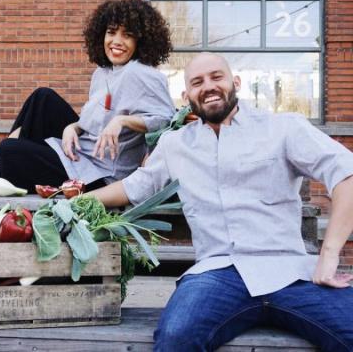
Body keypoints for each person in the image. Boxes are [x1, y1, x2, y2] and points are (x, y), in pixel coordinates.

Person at [89, 52, 353, 351]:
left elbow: (347, 174)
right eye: (197, 82)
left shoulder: (283, 128)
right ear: (186, 95)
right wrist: (73, 201)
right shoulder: (175, 144)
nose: (208, 86)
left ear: (235, 82)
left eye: (217, 77)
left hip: (291, 272)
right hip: (216, 276)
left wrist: (329, 255)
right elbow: (136, 186)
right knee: (175, 338)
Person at [0, 0, 175, 192]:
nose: (116, 42)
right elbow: (95, 121)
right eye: (111, 32)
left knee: (9, 150)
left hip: (101, 174)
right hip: (82, 153)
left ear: (141, 41)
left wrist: (122, 121)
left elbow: (167, 120)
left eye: (127, 35)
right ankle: (1, 170)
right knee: (42, 97)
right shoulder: (102, 73)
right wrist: (73, 128)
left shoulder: (141, 74)